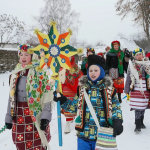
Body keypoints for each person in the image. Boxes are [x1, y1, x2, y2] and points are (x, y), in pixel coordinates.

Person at [54, 55, 123, 150]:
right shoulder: (81, 90)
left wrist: (117, 121)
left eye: (96, 70)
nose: (93, 73)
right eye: (90, 71)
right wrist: (62, 100)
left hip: (102, 135)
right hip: (83, 135)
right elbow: (73, 107)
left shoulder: (109, 90)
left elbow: (116, 108)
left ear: (102, 72)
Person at [5, 44, 54, 150]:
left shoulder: (40, 72)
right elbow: (11, 97)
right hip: (19, 114)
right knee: (20, 142)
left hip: (35, 113)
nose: (23, 57)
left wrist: (45, 117)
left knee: (38, 141)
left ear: (32, 56)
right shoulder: (15, 74)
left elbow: (47, 95)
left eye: (26, 54)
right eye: (21, 54)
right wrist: (8, 117)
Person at [124, 48, 150, 133]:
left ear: (143, 55)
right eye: (137, 55)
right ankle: (137, 125)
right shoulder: (132, 65)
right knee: (137, 107)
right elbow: (128, 77)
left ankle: (141, 122)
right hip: (136, 88)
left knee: (143, 106)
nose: (139, 56)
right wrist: (127, 90)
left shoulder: (147, 63)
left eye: (140, 54)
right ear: (135, 57)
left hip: (145, 88)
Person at [60, 56, 83, 134]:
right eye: (66, 57)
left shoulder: (76, 67)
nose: (68, 58)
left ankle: (69, 121)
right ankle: (68, 122)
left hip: (74, 89)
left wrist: (79, 86)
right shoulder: (61, 66)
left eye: (69, 56)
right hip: (65, 88)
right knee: (66, 104)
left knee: (73, 105)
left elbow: (80, 76)